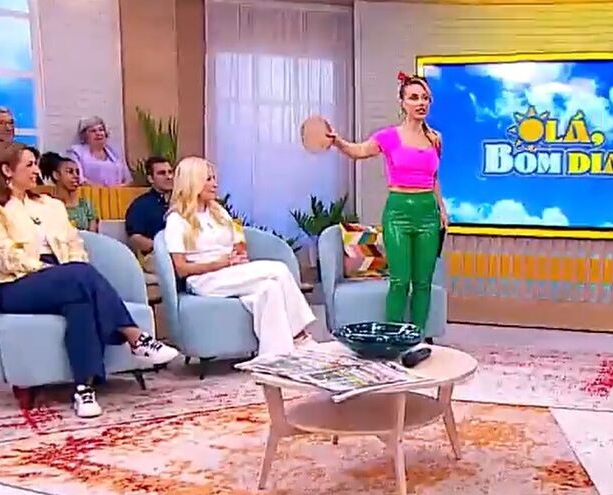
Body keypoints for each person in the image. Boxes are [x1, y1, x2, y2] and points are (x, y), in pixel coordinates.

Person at [0, 143, 180, 418]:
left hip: (65, 277)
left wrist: (68, 270)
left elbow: (74, 243)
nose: (36, 171)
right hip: (16, 283)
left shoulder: (50, 205)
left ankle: (84, 389)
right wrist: (50, 270)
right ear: (6, 170)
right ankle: (135, 336)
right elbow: (2, 255)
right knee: (78, 276)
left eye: (36, 164)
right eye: (29, 165)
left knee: (80, 300)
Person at [327, 71, 448, 332]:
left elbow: (434, 177)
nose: (420, 103)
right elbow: (359, 151)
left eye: (425, 98)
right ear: (402, 103)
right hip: (398, 212)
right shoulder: (389, 137)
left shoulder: (435, 139)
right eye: (413, 97)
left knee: (423, 282)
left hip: (428, 213)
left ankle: (416, 336)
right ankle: (393, 338)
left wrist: (442, 209)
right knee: (400, 280)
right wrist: (338, 142)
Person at [164, 156, 316, 358]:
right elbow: (181, 268)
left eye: (214, 178)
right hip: (204, 279)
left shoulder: (218, 212)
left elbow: (238, 239)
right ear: (193, 182)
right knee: (278, 270)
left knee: (269, 289)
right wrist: (220, 263)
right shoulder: (177, 220)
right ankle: (299, 333)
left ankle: (275, 354)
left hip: (230, 271)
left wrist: (238, 254)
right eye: (208, 179)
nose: (215, 184)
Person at [123, 156, 173, 269]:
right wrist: (161, 248)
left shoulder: (181, 202)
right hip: (155, 255)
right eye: (162, 173)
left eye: (170, 172)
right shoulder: (141, 205)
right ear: (151, 179)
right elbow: (135, 238)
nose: (169, 177)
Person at [39, 152, 98, 232]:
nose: (76, 176)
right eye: (70, 172)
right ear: (56, 175)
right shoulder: (48, 205)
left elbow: (93, 235)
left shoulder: (86, 205)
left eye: (77, 172)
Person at [65, 116, 130, 187]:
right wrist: (102, 190)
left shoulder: (115, 152)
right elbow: (78, 178)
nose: (98, 133)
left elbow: (128, 180)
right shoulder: (76, 152)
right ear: (84, 135)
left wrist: (117, 189)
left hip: (118, 192)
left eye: (101, 130)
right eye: (93, 131)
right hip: (88, 192)